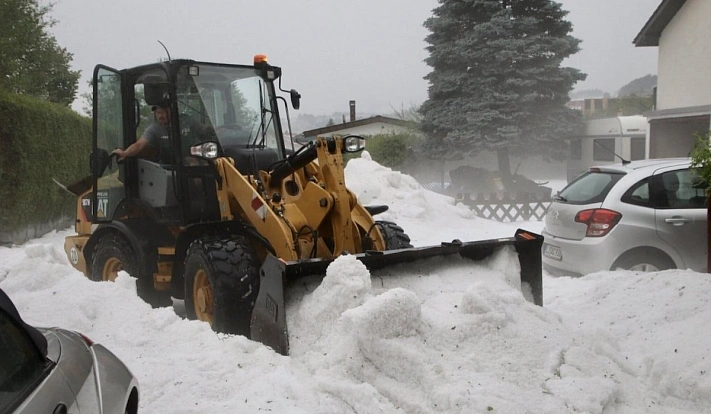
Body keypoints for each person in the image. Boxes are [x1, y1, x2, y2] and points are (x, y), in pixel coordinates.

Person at [112, 103, 215, 163]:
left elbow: (204, 129)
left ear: (172, 111)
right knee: (193, 163)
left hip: (196, 154)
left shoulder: (186, 120)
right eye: (158, 112)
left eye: (164, 112)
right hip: (172, 164)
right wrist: (125, 153)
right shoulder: (154, 129)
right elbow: (139, 145)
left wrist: (217, 130)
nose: (161, 116)